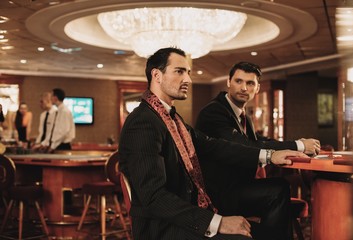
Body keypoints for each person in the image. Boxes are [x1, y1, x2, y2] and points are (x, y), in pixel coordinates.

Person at [118, 47, 309, 240]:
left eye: (188, 73)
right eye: (179, 71)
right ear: (157, 75)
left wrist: (269, 155)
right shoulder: (143, 122)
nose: (188, 80)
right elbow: (154, 197)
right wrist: (217, 222)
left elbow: (214, 145)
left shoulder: (171, 119)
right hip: (163, 228)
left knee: (267, 234)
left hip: (185, 216)